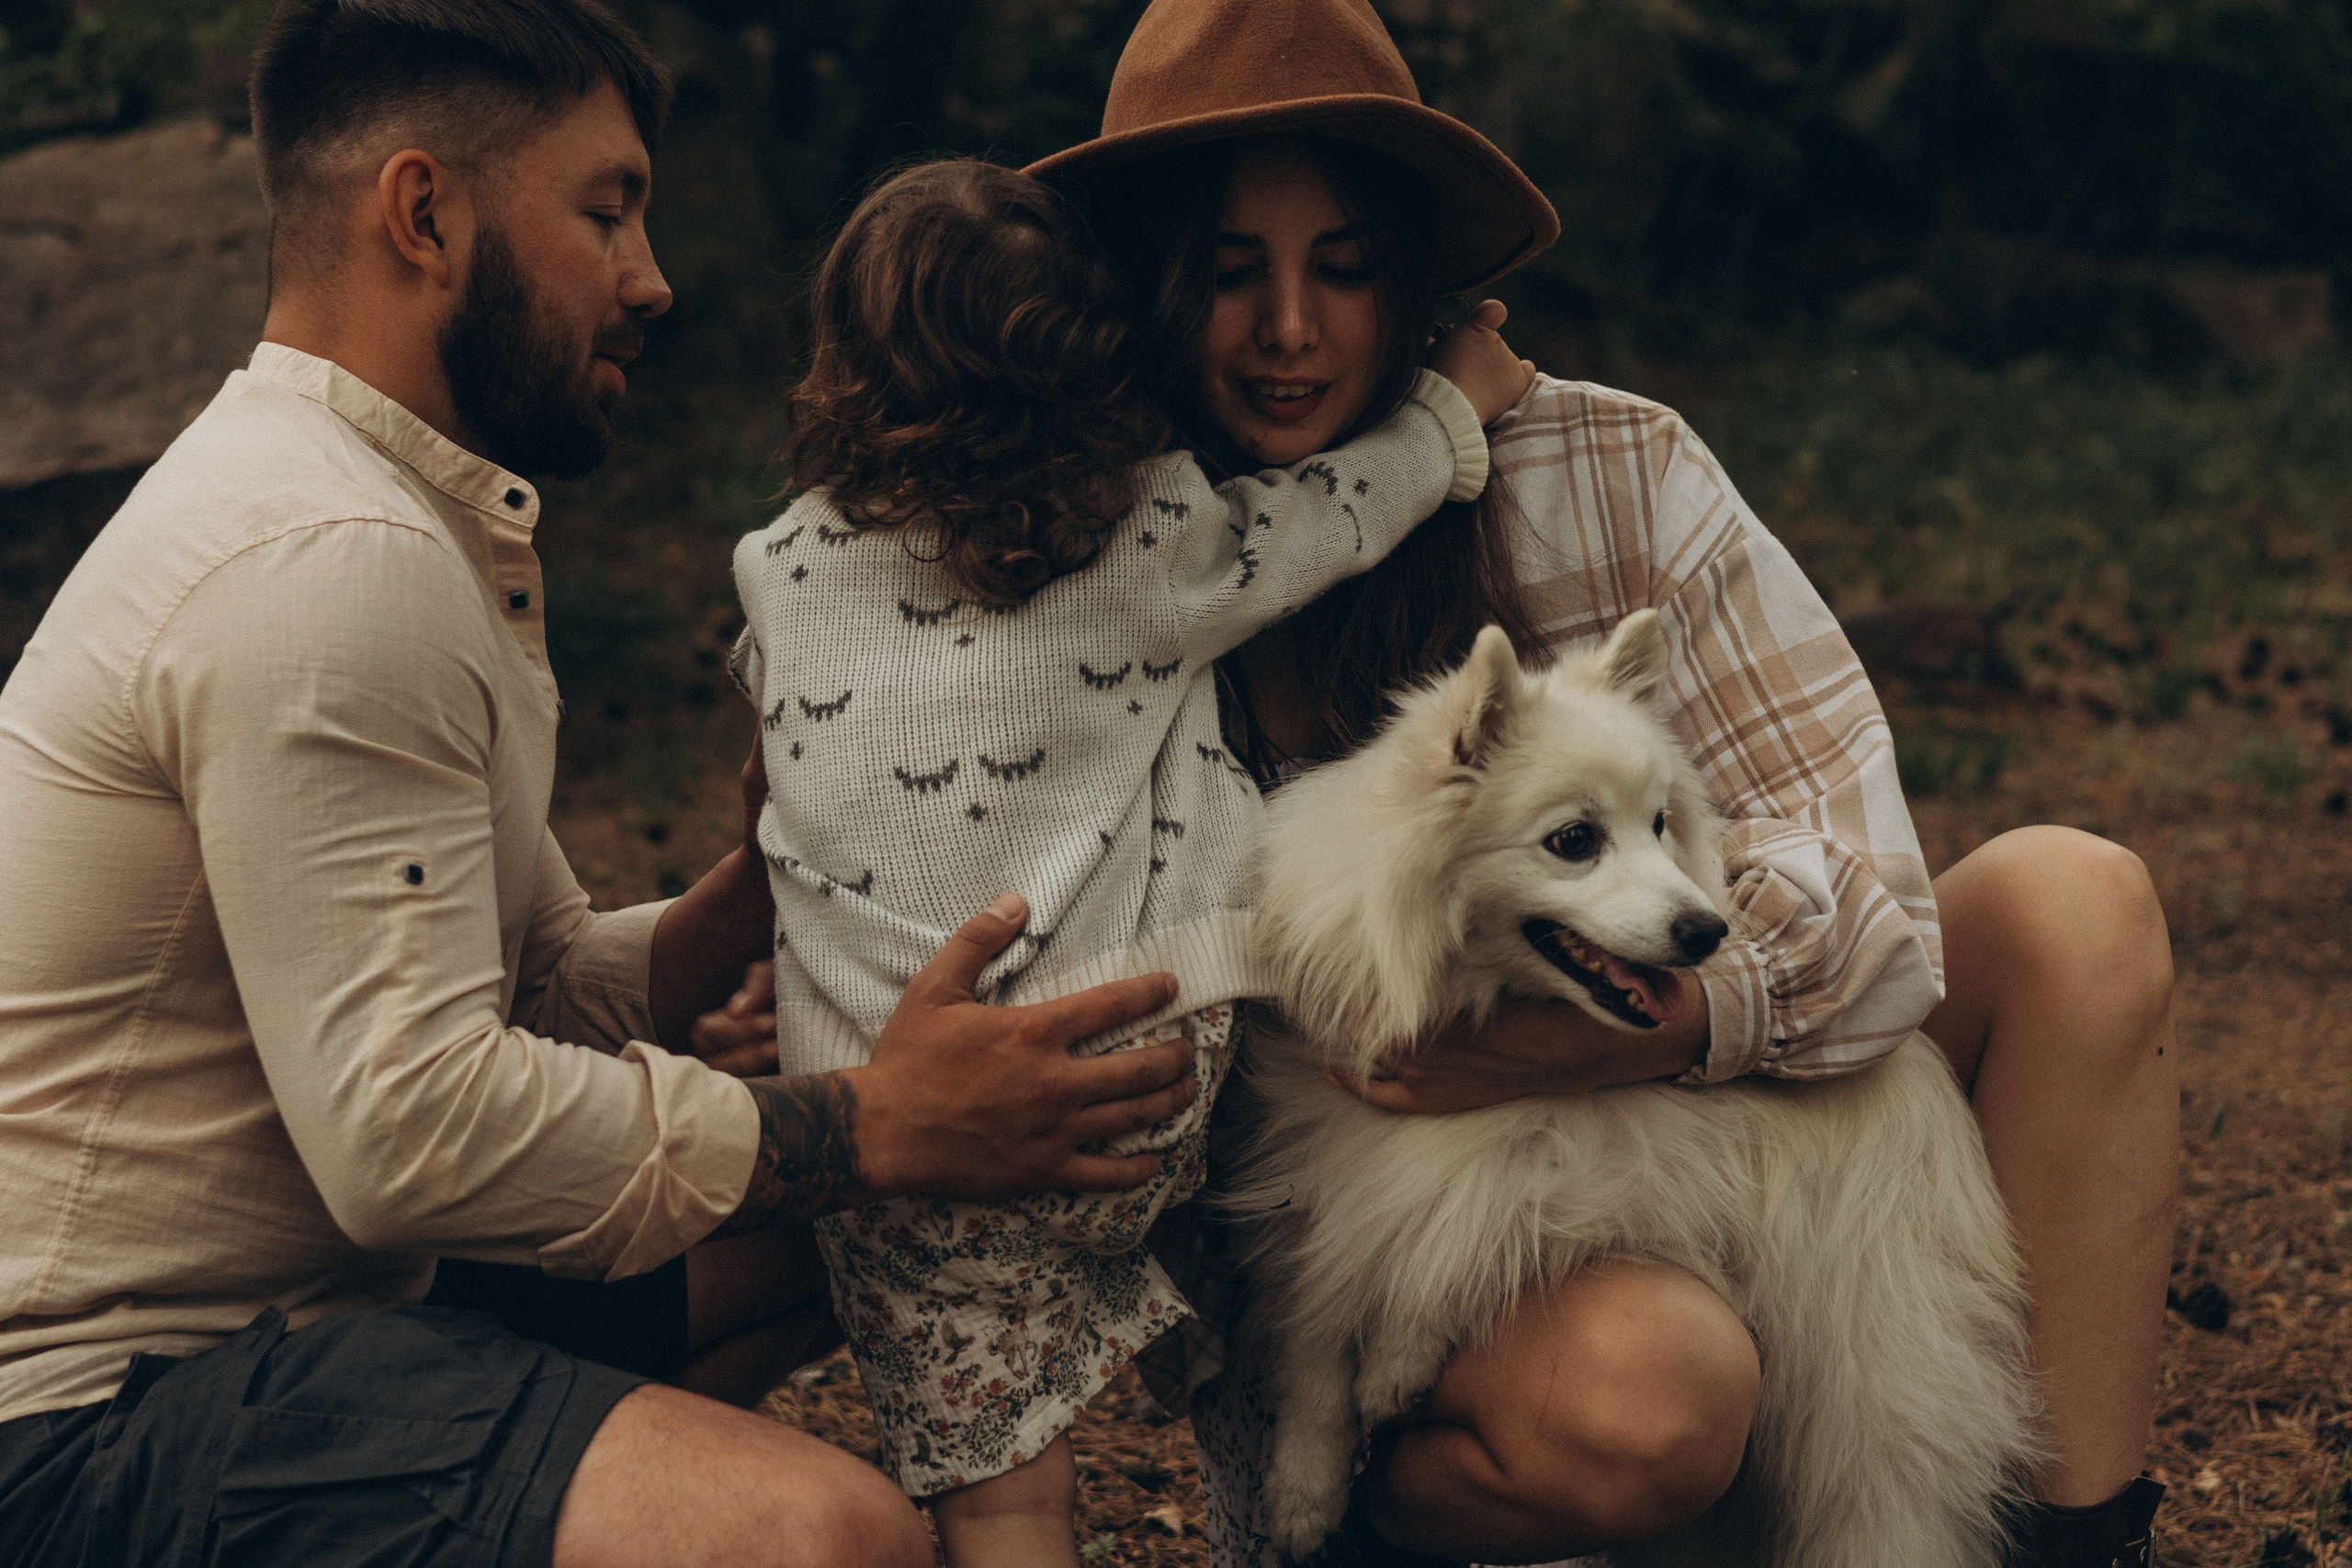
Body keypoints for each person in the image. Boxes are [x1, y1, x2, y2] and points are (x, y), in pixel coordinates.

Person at [0, 4, 1201, 1565]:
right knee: (825, 1540)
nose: (654, 277)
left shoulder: (372, 508)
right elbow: (413, 1131)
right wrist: (868, 1120)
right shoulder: (329, 564)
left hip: (303, 1308)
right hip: (90, 1411)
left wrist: (777, 865)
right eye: (606, 210)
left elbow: (538, 984)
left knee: (838, 1247)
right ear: (424, 214)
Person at [1023, 2, 2177, 1564]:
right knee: (1654, 1391)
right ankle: (1382, 1514)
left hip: (1671, 1129)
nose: (1291, 328)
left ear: (1418, 274)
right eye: (1232, 272)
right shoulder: (1103, 554)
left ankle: (2075, 1545)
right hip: (1374, 1257)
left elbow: (1874, 896)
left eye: (1345, 268)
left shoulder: (1610, 466)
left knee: (2075, 907)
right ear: (1156, 280)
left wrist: (1612, 1040)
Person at [727, 156, 1530, 1568]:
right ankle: (1253, 1375)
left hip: (876, 1120)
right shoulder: (1149, 529)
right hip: (1129, 1074)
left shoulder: (781, 568)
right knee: (1173, 761)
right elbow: (1331, 518)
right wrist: (1454, 408)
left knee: (1005, 1493)